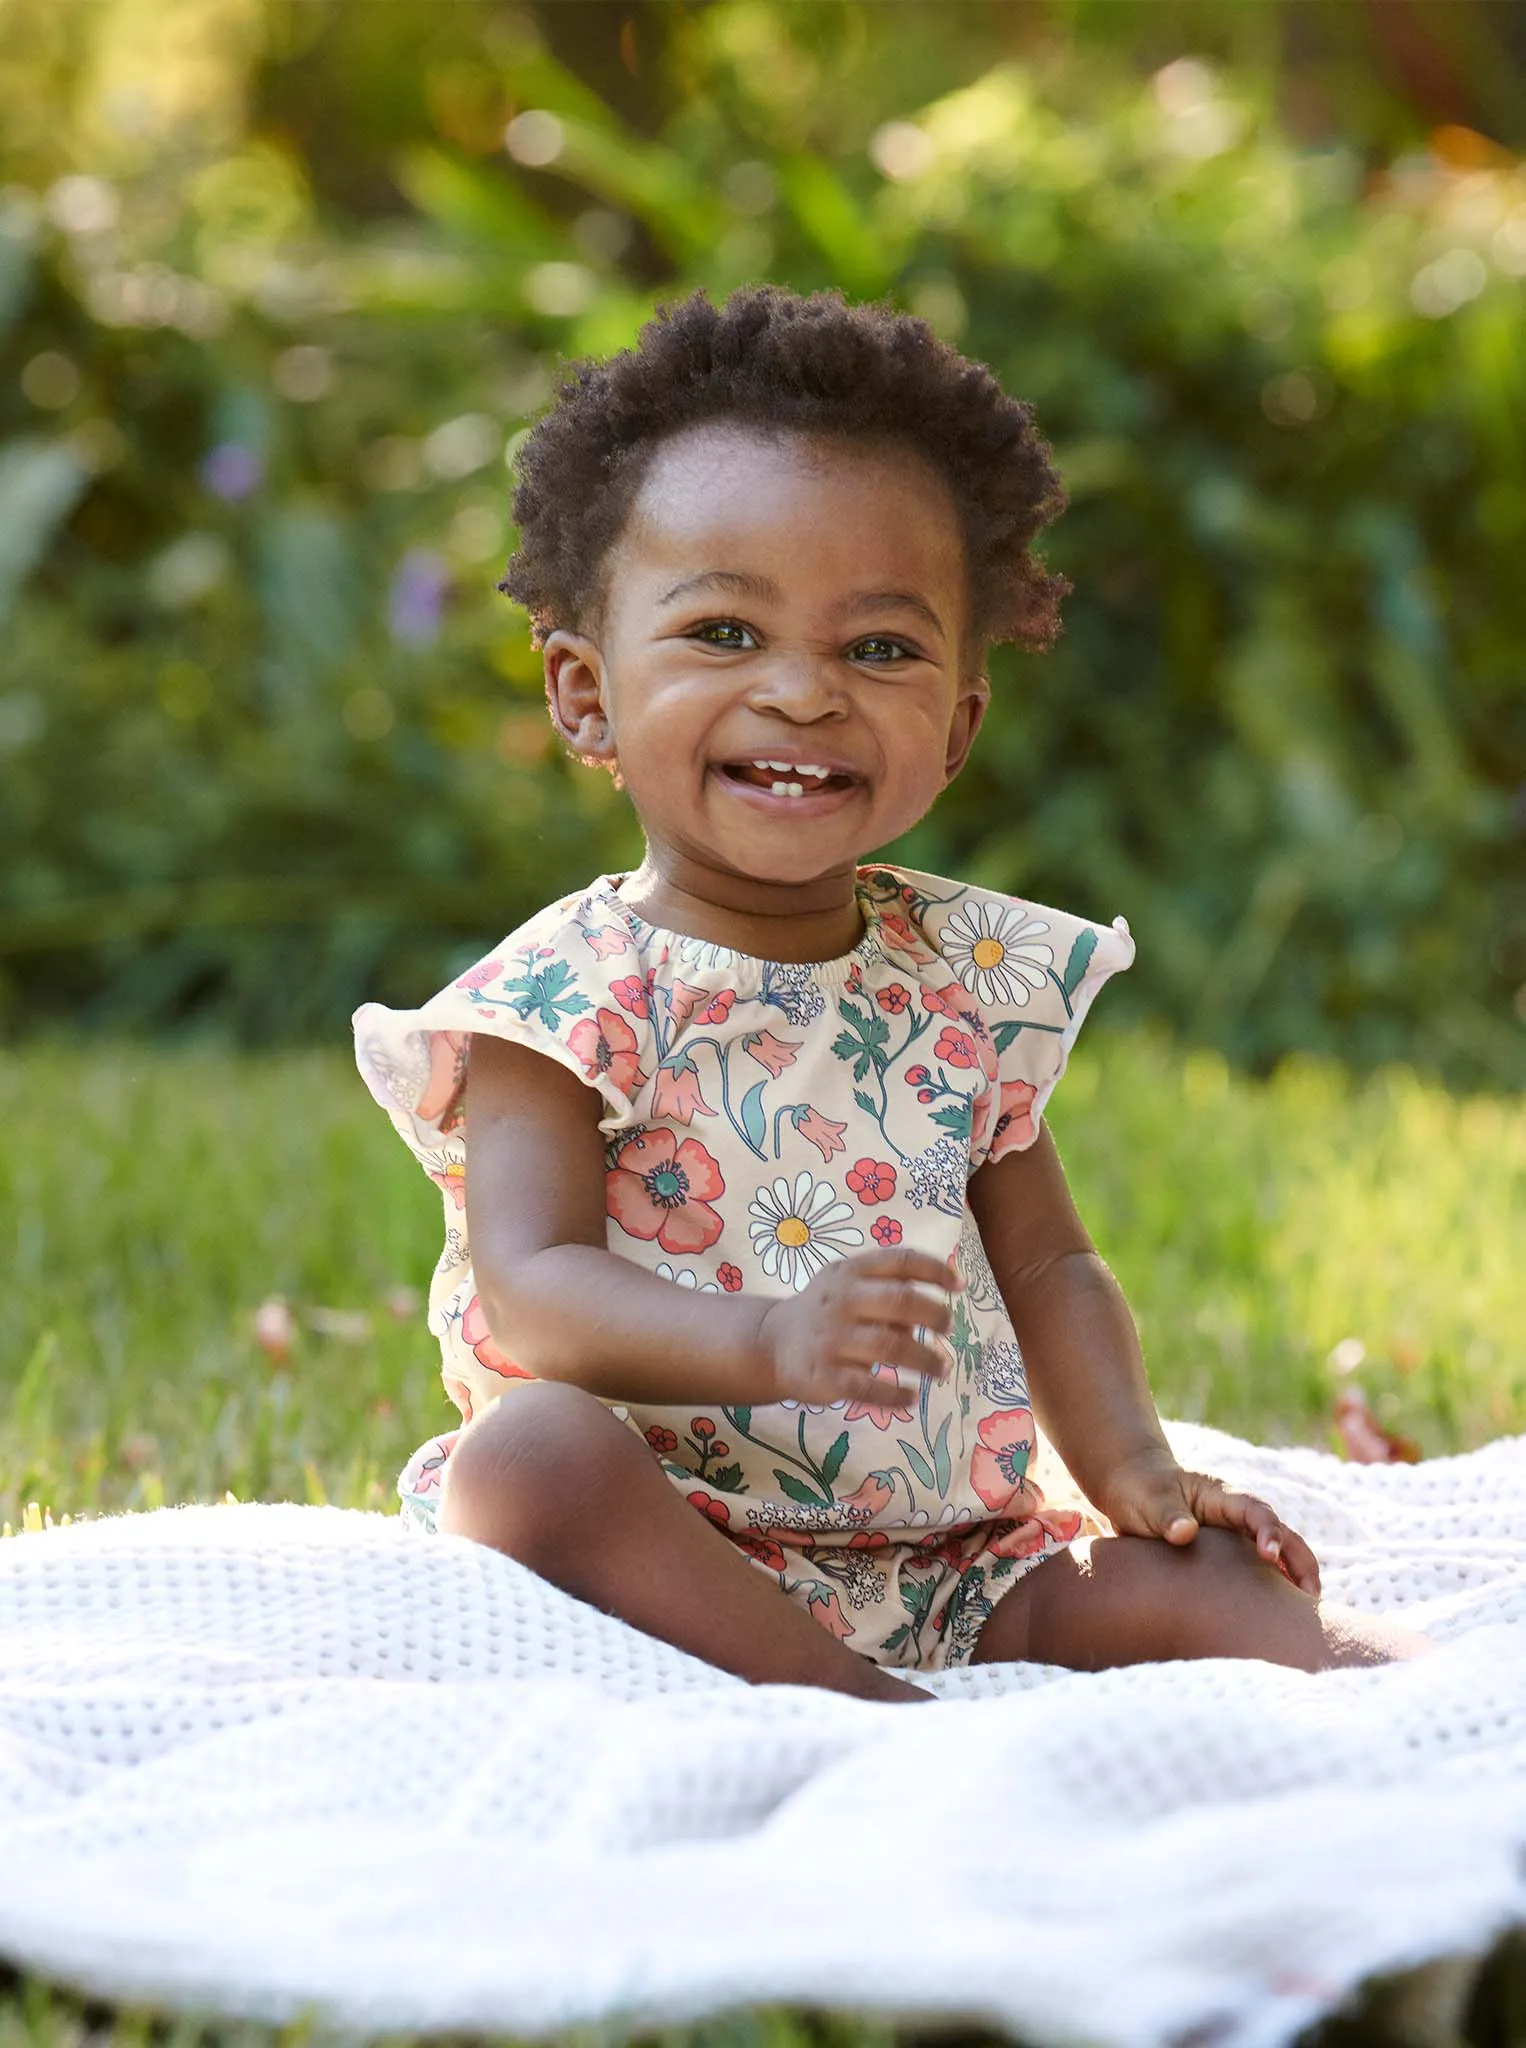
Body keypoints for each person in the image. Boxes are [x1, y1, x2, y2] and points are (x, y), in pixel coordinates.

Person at [354, 284, 1425, 1703]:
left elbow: (1052, 1270)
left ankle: (1433, 1702)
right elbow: (535, 1293)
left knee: (1218, 1580)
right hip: (663, 1534)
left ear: (958, 725)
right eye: (724, 633)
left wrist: (1136, 1478)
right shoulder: (560, 999)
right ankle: (850, 1706)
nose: (804, 694)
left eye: (879, 649)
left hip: (954, 1555)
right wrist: (770, 1342)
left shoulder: (967, 983)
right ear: (583, 693)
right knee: (527, 1456)